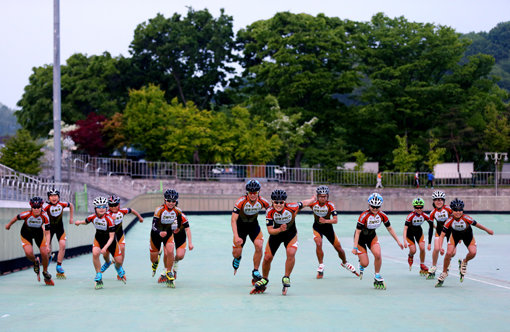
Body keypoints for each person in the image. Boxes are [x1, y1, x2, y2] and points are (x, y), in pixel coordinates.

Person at [251, 189, 315, 295]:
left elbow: (304, 203)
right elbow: (270, 230)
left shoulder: (292, 207)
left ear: (284, 202)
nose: (279, 204)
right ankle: (265, 279)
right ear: (272, 202)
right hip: (276, 234)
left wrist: (313, 199)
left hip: (290, 235)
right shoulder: (270, 212)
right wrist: (280, 229)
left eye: (281, 202)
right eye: (276, 202)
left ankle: (286, 277)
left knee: (291, 253)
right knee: (267, 258)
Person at [435, 198, 494, 287]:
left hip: (468, 236)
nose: (458, 212)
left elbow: (478, 225)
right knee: (449, 253)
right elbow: (442, 235)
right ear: (452, 210)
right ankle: (444, 272)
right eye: (455, 210)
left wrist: (487, 230)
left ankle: (464, 261)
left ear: (463, 210)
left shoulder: (467, 218)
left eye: (460, 210)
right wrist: (440, 247)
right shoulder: (449, 220)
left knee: (473, 252)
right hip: (455, 236)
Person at [352, 193, 404, 289]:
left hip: (372, 237)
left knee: (378, 254)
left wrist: (398, 241)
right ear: (369, 205)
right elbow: (358, 233)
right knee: (365, 264)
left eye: (377, 207)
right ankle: (361, 261)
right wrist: (355, 247)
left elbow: (390, 229)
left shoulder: (382, 215)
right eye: (373, 207)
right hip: (360, 239)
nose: (375, 209)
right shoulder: (364, 216)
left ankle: (377, 275)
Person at [307, 185, 358, 279]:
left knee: (339, 248)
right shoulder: (313, 204)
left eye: (325, 196)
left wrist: (325, 221)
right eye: (321, 196)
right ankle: (321, 265)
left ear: (327, 196)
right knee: (318, 243)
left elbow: (335, 220)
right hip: (317, 228)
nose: (323, 198)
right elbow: (303, 204)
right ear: (318, 196)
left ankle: (345, 263)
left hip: (328, 228)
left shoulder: (330, 205)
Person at [75, 196, 125, 289]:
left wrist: (105, 248)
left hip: (111, 241)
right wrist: (79, 222)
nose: (101, 209)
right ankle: (98, 274)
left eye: (103, 207)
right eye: (99, 207)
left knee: (119, 261)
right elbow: (86, 221)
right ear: (95, 208)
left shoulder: (110, 219)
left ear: (106, 208)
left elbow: (111, 237)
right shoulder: (92, 217)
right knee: (95, 253)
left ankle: (117, 268)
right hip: (98, 239)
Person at [5, 196, 54, 286]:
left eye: (38, 207)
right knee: (29, 253)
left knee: (44, 252)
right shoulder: (26, 214)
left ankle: (45, 271)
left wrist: (48, 245)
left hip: (39, 234)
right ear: (31, 207)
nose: (36, 209)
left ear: (41, 207)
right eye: (34, 207)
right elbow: (16, 218)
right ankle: (36, 262)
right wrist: (8, 225)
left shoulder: (45, 216)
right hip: (26, 235)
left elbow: (47, 233)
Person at [231, 179, 270, 284]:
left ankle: (256, 271)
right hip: (240, 228)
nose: (253, 195)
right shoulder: (241, 202)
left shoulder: (263, 201)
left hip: (253, 226)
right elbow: (233, 220)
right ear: (247, 192)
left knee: (259, 245)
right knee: (236, 253)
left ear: (259, 192)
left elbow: (272, 211)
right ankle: (237, 258)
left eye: (255, 193)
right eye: (250, 193)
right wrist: (236, 236)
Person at [150, 189, 185, 288]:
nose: (171, 203)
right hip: (156, 234)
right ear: (165, 200)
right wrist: (159, 232)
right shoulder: (159, 210)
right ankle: (157, 260)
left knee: (170, 251)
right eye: (168, 201)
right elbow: (153, 226)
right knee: (153, 259)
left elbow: (178, 221)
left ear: (176, 202)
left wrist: (177, 228)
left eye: (173, 201)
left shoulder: (178, 211)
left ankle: (169, 271)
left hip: (168, 234)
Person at [105, 194, 143, 280]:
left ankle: (119, 271)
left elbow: (132, 210)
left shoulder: (123, 211)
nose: (114, 207)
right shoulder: (106, 214)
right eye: (111, 205)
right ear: (108, 206)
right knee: (106, 254)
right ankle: (110, 261)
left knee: (122, 250)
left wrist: (139, 217)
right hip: (109, 236)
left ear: (119, 204)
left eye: (115, 205)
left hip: (119, 234)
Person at [43, 188, 74, 279]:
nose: (54, 198)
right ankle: (49, 257)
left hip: (60, 228)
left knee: (63, 245)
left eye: (55, 196)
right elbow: (40, 217)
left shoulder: (62, 204)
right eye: (51, 196)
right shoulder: (46, 207)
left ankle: (59, 265)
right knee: (47, 249)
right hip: (49, 229)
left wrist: (71, 218)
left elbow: (71, 205)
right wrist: (42, 227)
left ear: (58, 197)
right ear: (49, 198)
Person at [403, 197, 433, 276]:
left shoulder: (424, 215)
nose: (419, 209)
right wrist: (404, 241)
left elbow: (431, 224)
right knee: (413, 250)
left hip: (419, 232)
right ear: (414, 207)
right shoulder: (410, 216)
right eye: (417, 207)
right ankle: (410, 255)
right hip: (409, 233)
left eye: (420, 207)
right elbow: (405, 229)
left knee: (422, 248)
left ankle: (422, 264)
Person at [426, 190, 453, 279]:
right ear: (433, 201)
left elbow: (455, 221)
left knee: (453, 252)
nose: (439, 201)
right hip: (439, 231)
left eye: (441, 199)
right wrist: (429, 243)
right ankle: (434, 266)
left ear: (444, 201)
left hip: (450, 232)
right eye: (436, 200)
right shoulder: (432, 213)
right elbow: (430, 228)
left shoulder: (449, 209)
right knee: (436, 248)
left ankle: (448, 260)